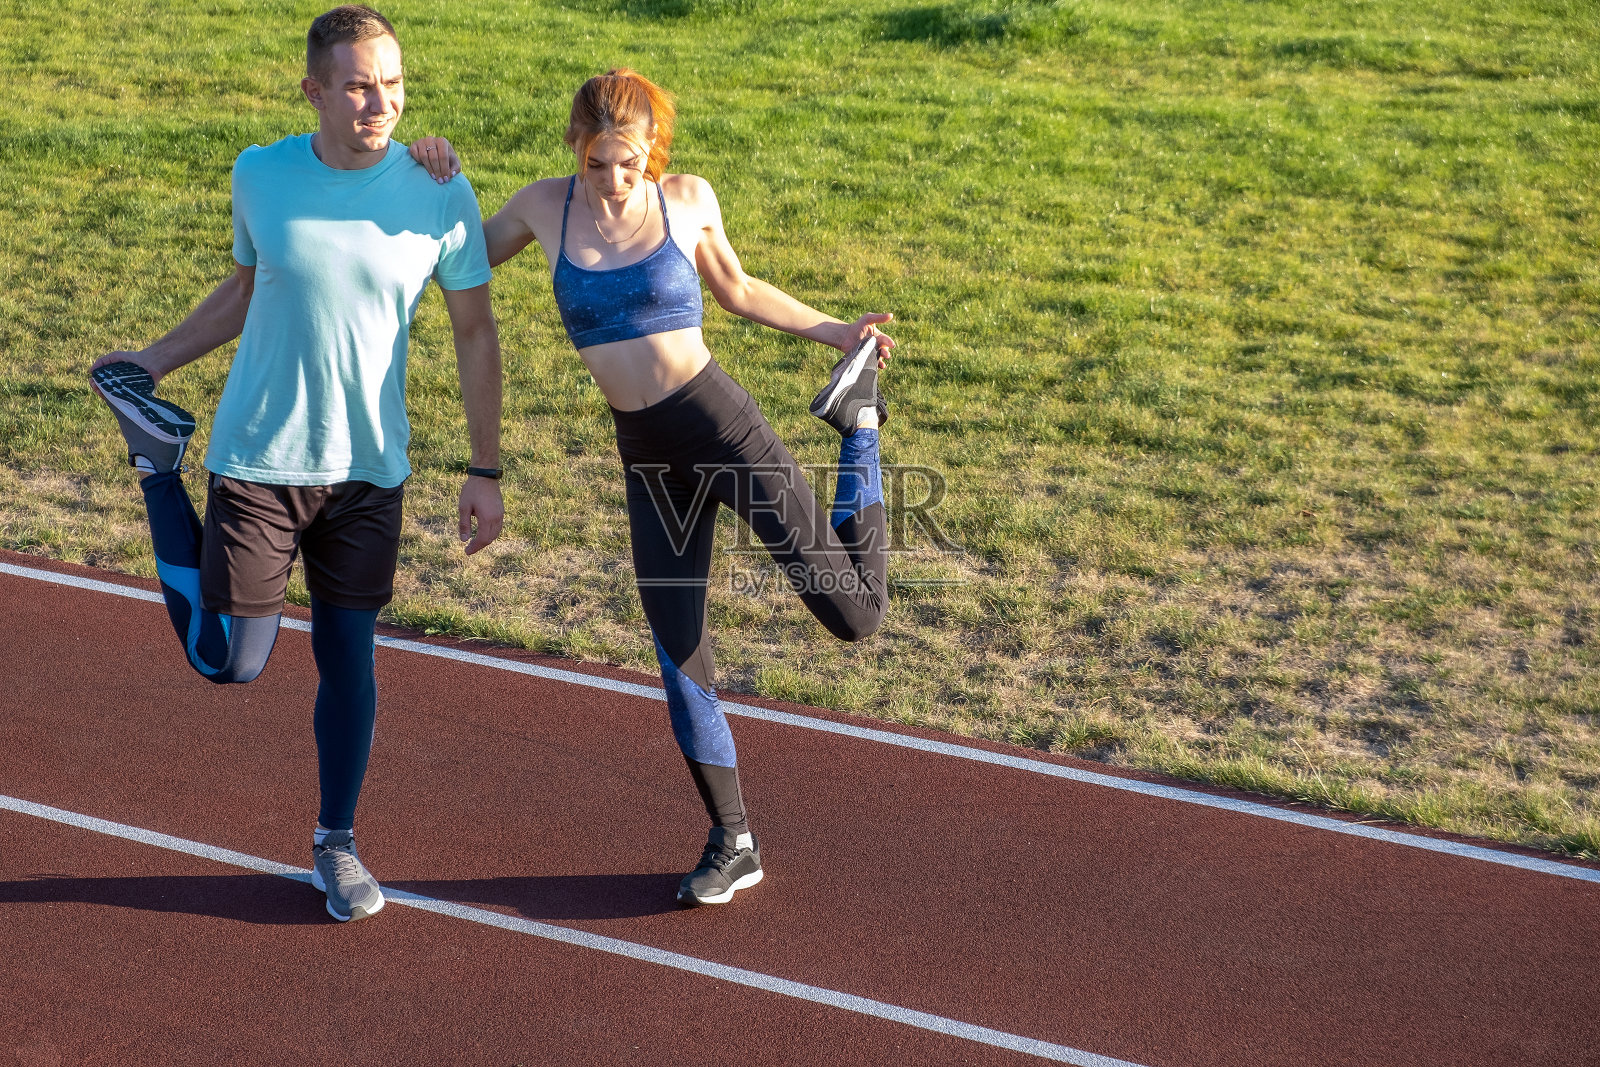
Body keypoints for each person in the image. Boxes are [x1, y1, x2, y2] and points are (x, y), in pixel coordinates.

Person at [409, 69, 894, 907]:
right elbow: (449, 257)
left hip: (721, 429)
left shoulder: (686, 198)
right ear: (575, 148)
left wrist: (836, 332)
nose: (613, 182)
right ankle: (732, 837)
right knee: (677, 646)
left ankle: (860, 425)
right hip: (645, 455)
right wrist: (428, 177)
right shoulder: (540, 208)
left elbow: (737, 291)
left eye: (628, 163)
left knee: (854, 615)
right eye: (598, 163)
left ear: (652, 153)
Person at [88, 4, 503, 923]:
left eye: (392, 83)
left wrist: (486, 467)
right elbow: (247, 286)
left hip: (369, 474)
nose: (378, 102)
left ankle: (336, 841)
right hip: (258, 458)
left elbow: (475, 331)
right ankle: (158, 463)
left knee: (349, 661)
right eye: (357, 84)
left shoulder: (440, 189)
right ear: (313, 89)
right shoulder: (261, 174)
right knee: (227, 663)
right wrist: (153, 363)